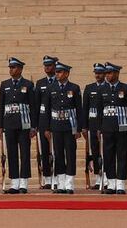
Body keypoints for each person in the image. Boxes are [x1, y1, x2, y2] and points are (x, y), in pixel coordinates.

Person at [0, 57, 36, 194]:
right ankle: (14, 183)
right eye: (10, 67)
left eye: (13, 67)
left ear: (20, 69)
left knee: (24, 153)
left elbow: (33, 106)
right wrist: (0, 125)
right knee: (12, 153)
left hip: (24, 123)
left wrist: (33, 126)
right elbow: (1, 105)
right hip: (9, 123)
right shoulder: (5, 84)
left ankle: (23, 183)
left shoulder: (28, 85)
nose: (11, 70)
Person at [42, 62, 82, 194]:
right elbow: (47, 110)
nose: (57, 74)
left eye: (60, 72)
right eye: (57, 72)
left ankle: (69, 183)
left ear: (66, 73)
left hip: (70, 126)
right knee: (58, 154)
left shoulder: (74, 88)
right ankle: (61, 183)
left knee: (70, 154)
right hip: (56, 126)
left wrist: (79, 129)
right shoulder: (50, 88)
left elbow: (79, 109)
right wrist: (47, 128)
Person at [95, 62, 127, 194]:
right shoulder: (102, 90)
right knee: (108, 155)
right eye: (106, 73)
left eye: (110, 73)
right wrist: (99, 127)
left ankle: (121, 184)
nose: (107, 76)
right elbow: (99, 111)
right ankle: (111, 183)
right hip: (107, 127)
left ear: (117, 73)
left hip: (122, 127)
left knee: (122, 155)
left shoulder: (126, 88)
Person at [80, 63, 107, 190]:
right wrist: (84, 127)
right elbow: (85, 109)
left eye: (100, 73)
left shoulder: (108, 87)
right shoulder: (89, 88)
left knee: (106, 152)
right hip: (92, 125)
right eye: (96, 72)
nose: (97, 75)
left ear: (105, 74)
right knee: (95, 152)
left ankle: (107, 178)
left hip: (106, 125)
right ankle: (98, 178)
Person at [35, 55, 58, 189]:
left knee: (57, 150)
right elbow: (36, 105)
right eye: (45, 65)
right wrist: (36, 125)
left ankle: (58, 177)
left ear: (55, 66)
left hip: (57, 119)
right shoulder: (40, 83)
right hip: (43, 121)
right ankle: (47, 178)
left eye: (49, 65)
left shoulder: (60, 81)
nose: (47, 67)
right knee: (44, 150)